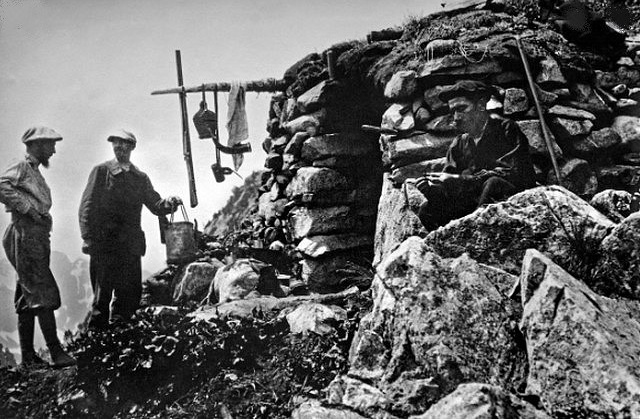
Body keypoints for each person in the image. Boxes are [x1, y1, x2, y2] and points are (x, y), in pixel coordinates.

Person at [79, 130, 182, 329]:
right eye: (115, 143)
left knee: (128, 297)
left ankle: (121, 342)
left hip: (130, 246)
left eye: (124, 143)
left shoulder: (140, 178)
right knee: (102, 299)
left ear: (132, 147)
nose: (119, 147)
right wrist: (89, 238)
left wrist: (169, 203)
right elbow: (86, 207)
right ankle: (96, 345)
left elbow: (155, 204)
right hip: (105, 245)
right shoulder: (101, 171)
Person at [0, 126, 76, 368]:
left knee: (26, 293)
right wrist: (29, 210)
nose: (53, 150)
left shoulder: (32, 169)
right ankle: (56, 353)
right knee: (43, 291)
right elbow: (1, 185)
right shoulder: (22, 165)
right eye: (50, 144)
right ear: (37, 145)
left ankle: (28, 358)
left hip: (32, 234)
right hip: (25, 233)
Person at [414, 80, 536, 230]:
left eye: (461, 108)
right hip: (475, 205)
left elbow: (514, 173)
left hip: (513, 202)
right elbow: (451, 188)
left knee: (494, 184)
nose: (456, 117)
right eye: (453, 111)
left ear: (480, 105)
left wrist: (462, 179)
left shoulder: (506, 129)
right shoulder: (459, 143)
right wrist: (432, 190)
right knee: (427, 209)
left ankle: (477, 234)